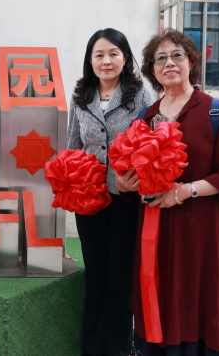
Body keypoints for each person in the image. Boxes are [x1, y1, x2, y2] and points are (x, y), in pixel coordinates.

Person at [131, 29, 219, 355]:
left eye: (177, 55)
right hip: (156, 230)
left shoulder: (215, 111)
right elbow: (136, 174)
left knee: (197, 299)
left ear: (192, 62)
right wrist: (127, 183)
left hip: (200, 234)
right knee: (158, 298)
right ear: (152, 70)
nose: (169, 63)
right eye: (160, 58)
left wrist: (184, 191)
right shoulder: (145, 118)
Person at [67, 28, 155, 356]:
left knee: (120, 278)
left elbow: (151, 143)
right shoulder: (81, 96)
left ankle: (118, 348)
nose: (106, 61)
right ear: (90, 60)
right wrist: (70, 184)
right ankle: (92, 348)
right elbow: (73, 145)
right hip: (89, 199)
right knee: (96, 275)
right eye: (99, 55)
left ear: (125, 58)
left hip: (126, 200)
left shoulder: (140, 95)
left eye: (113, 54)